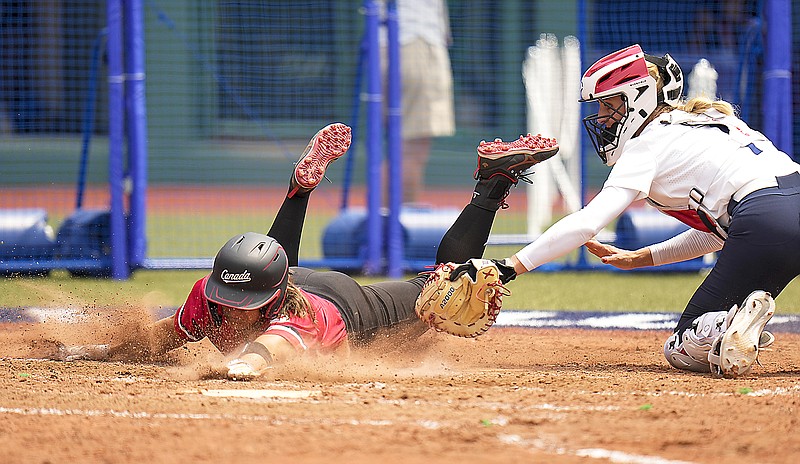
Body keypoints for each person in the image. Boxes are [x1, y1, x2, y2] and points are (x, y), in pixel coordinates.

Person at [62, 123, 558, 380]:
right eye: (226, 303)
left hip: (354, 309)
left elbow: (266, 348)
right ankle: (298, 192)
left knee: (442, 286)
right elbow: (167, 334)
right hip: (293, 277)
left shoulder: (297, 319)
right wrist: (101, 351)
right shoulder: (212, 297)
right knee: (282, 262)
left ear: (272, 301)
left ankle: (493, 184)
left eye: (243, 307)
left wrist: (243, 365)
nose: (229, 316)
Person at [489, 44, 800, 377]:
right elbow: (727, 231)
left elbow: (587, 223)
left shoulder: (645, 145)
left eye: (609, 106)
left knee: (680, 347)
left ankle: (727, 324)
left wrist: (509, 266)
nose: (602, 118)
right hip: (774, 207)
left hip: (763, 220)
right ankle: (734, 321)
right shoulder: (715, 116)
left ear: (638, 99)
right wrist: (644, 256)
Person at [384, 0, 456, 203]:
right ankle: (398, 226)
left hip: (399, 40)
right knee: (411, 147)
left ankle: (381, 226)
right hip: (415, 39)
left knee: (401, 147)